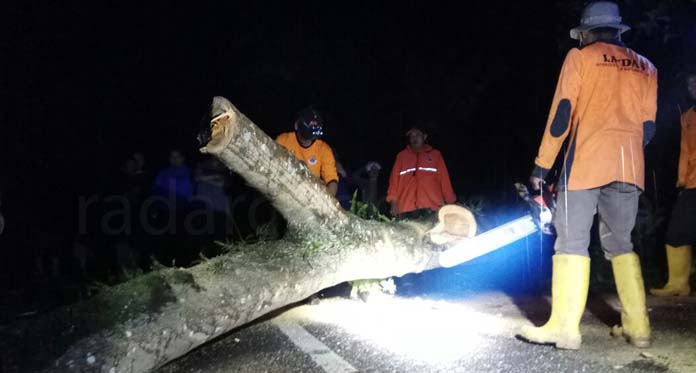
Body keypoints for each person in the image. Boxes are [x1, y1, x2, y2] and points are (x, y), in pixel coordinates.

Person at [518, 2, 658, 350]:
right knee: (621, 243)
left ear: (585, 33)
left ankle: (565, 329)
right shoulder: (647, 67)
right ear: (617, 30)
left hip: (585, 164)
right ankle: (638, 327)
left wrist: (541, 165)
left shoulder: (580, 58)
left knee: (571, 241)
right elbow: (649, 128)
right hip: (630, 167)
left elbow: (562, 114)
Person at [650, 73, 696, 297]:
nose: (693, 86)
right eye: (690, 82)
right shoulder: (687, 115)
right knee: (677, 232)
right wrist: (682, 178)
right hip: (692, 184)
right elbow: (685, 151)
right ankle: (679, 284)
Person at [386, 126, 456, 219]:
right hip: (406, 208)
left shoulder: (436, 155)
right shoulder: (401, 156)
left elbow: (445, 180)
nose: (414, 138)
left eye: (418, 134)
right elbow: (394, 182)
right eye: (412, 136)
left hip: (432, 208)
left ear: (424, 136)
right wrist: (393, 203)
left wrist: (451, 203)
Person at [276, 107, 339, 196]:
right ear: (297, 125)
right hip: (285, 187)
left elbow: (331, 180)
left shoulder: (324, 149)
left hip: (310, 193)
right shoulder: (283, 141)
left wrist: (327, 201)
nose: (307, 141)